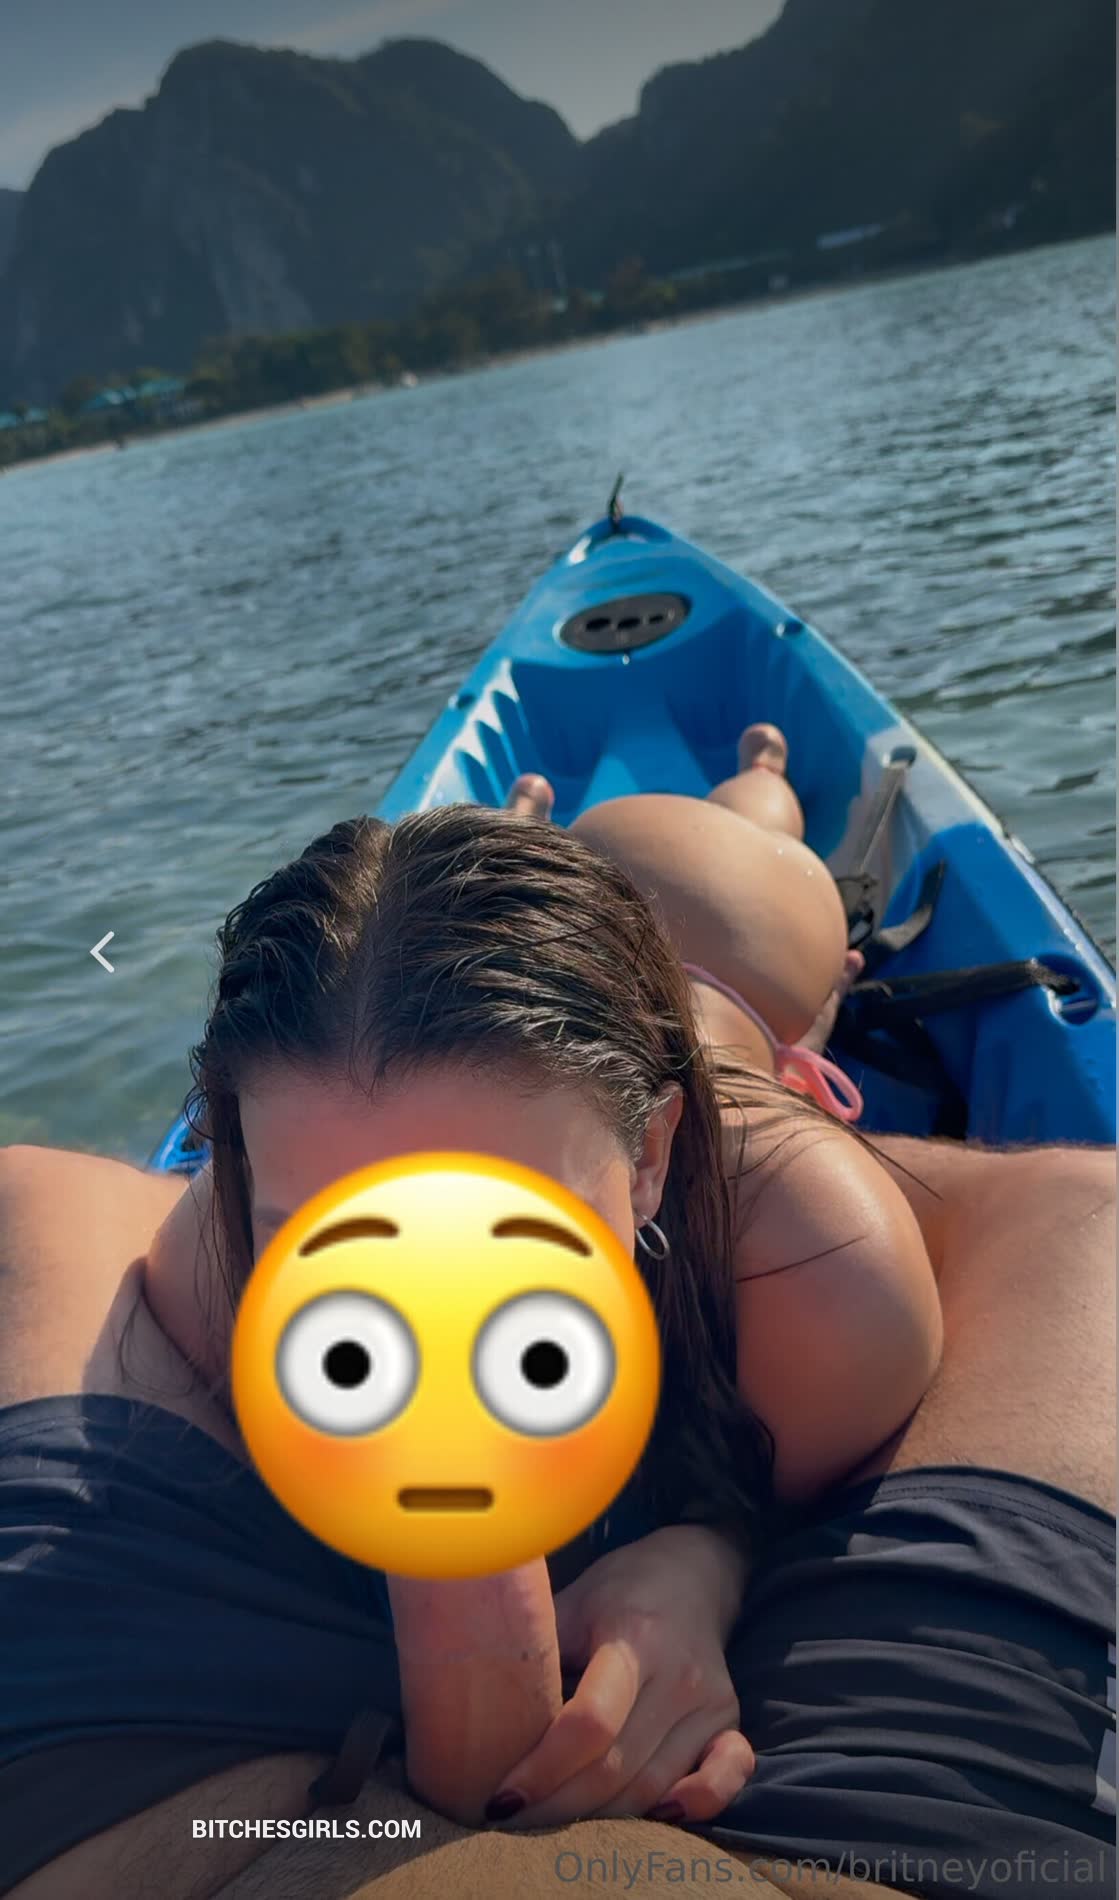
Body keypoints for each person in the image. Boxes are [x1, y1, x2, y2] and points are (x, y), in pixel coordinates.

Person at [0, 754, 1112, 1899]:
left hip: (732, 966)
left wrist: (711, 1554)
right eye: (319, 1228)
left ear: (649, 1155)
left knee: (744, 851)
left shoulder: (815, 1272)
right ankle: (516, 822)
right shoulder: (219, 1272)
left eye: (512, 1217)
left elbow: (789, 1491)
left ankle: (759, 773)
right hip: (533, 989)